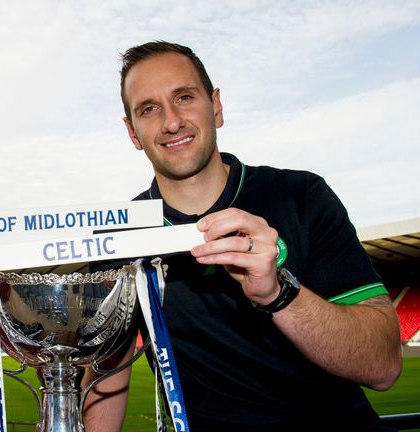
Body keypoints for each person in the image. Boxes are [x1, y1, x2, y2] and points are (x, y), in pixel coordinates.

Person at [83, 41, 402, 431]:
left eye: (184, 97)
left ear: (216, 106)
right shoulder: (121, 236)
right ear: (133, 132)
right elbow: (107, 375)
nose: (171, 121)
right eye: (149, 109)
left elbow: (383, 367)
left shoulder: (301, 197)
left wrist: (279, 294)